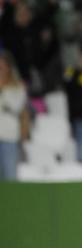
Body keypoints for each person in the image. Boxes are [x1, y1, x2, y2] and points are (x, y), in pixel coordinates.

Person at [0, 51, 27, 180]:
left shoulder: (17, 87)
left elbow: (16, 107)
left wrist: (2, 89)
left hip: (8, 137)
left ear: (8, 68)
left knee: (9, 177)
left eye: (2, 66)